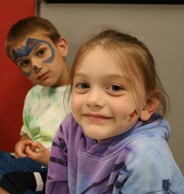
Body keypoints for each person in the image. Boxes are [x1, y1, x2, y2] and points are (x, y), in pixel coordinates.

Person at [46, 28, 184, 193]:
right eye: (83, 85)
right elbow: (58, 186)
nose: (93, 100)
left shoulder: (144, 156)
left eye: (115, 87)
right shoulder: (70, 127)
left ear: (147, 104)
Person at [0, 16, 71, 194]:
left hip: (51, 168)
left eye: (41, 52)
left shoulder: (82, 92)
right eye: (25, 62)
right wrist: (22, 144)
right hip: (24, 161)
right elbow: (27, 134)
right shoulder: (34, 95)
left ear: (61, 47)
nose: (36, 65)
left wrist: (51, 158)